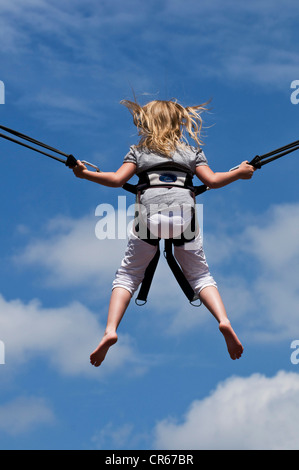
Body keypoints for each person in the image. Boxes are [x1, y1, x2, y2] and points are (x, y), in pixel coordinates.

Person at [71, 98, 255, 367]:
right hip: (185, 219)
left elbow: (115, 180)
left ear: (145, 124)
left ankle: (111, 330)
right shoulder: (192, 152)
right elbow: (214, 181)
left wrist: (84, 174)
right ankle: (223, 320)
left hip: (149, 219)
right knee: (201, 274)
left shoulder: (138, 152)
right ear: (180, 123)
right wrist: (240, 173)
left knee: (128, 274)